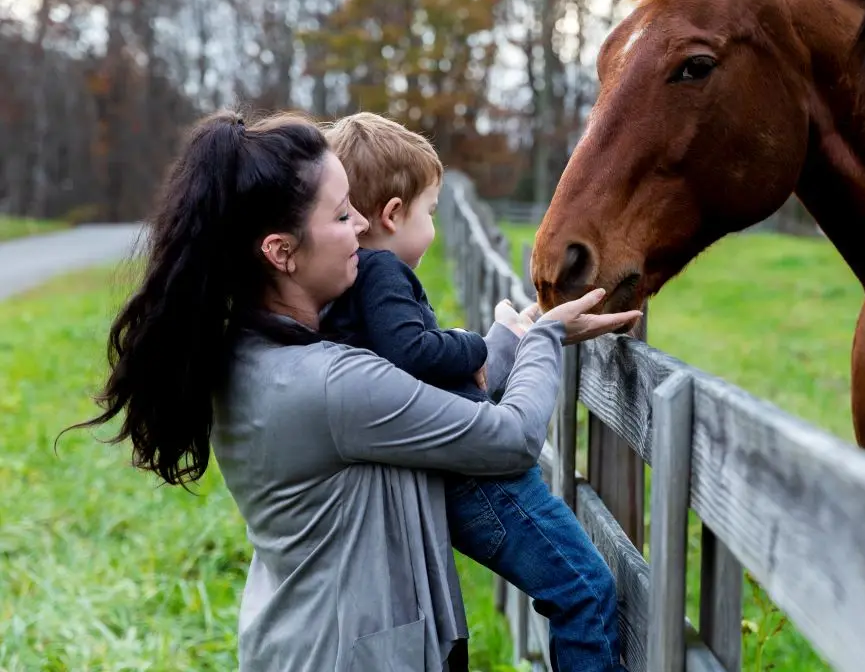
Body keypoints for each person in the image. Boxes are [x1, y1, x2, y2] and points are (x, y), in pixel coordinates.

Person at [71, 110, 641, 672]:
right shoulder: (329, 384)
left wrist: (504, 339)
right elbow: (511, 438)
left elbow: (414, 388)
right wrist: (544, 336)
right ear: (281, 250)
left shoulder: (250, 353)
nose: (365, 228)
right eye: (343, 215)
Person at [321, 112, 626, 672]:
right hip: (487, 483)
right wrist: (476, 346)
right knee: (584, 587)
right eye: (430, 213)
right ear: (392, 215)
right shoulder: (382, 271)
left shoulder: (352, 280)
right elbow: (414, 352)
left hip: (463, 472)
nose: (433, 228)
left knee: (576, 586)